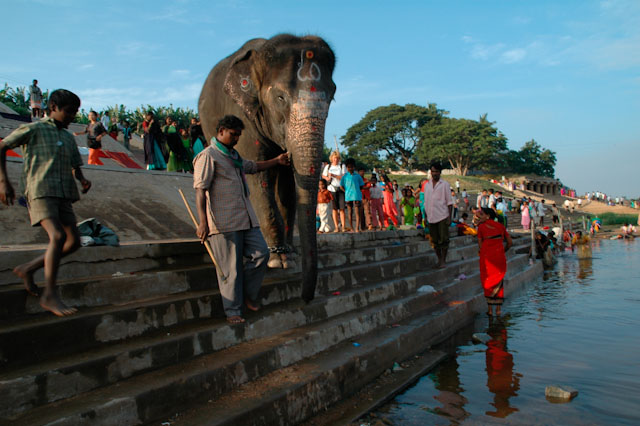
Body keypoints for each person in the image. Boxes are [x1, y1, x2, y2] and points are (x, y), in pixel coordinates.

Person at [0, 89, 91, 316]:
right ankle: (50, 295)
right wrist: (4, 183)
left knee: (73, 242)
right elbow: (2, 147)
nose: (72, 117)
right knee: (58, 236)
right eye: (69, 112)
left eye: (75, 113)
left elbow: (74, 163)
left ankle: (28, 268)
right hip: (40, 191)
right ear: (53, 108)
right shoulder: (34, 129)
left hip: (64, 193)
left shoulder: (68, 137)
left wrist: (81, 179)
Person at [193, 115, 290, 324]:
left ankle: (245, 293)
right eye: (232, 134)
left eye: (238, 135)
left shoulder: (233, 156)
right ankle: (232, 310)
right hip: (222, 222)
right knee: (230, 269)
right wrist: (203, 222)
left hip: (246, 219)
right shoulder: (208, 156)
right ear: (220, 132)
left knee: (262, 254)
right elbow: (200, 190)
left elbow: (252, 167)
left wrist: (276, 161)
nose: (236, 138)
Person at [477, 207, 512, 316]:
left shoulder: (481, 227)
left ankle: (490, 310)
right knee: (498, 281)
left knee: (487, 280)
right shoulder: (501, 226)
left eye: (481, 215)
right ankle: (498, 310)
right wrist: (503, 251)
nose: (479, 217)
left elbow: (480, 244)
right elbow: (510, 242)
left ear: (487, 216)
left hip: (487, 258)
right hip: (498, 256)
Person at [424, 162, 453, 269]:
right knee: (434, 241)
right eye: (432, 171)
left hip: (442, 215)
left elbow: (449, 202)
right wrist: (425, 216)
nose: (434, 173)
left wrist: (449, 217)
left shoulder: (444, 184)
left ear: (440, 172)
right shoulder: (427, 185)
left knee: (444, 240)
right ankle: (439, 259)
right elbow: (426, 202)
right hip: (431, 217)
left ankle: (443, 260)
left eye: (436, 171)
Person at [322, 151, 347, 232]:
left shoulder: (342, 166)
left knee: (342, 208)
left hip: (341, 188)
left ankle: (343, 226)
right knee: (334, 208)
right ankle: (336, 227)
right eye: (334, 158)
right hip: (331, 188)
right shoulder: (328, 166)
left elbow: (343, 176)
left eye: (337, 158)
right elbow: (323, 175)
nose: (335, 160)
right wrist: (327, 178)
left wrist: (334, 175)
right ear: (331, 159)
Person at [340, 158, 364, 233]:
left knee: (357, 212)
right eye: (349, 167)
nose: (350, 168)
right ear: (347, 168)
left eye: (352, 167)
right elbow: (341, 186)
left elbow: (361, 185)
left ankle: (357, 227)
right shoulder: (345, 176)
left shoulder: (357, 176)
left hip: (357, 196)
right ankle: (351, 228)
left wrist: (357, 190)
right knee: (350, 212)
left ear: (354, 167)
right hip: (348, 196)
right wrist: (346, 191)